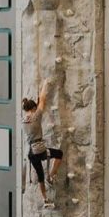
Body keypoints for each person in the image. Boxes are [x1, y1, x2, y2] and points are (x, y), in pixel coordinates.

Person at [21, 78, 62, 209]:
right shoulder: (36, 116)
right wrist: (45, 84)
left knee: (40, 176)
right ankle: (52, 175)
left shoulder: (23, 120)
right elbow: (43, 99)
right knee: (59, 153)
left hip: (32, 153)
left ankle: (45, 199)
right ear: (34, 108)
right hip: (40, 150)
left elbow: (39, 103)